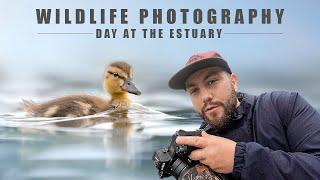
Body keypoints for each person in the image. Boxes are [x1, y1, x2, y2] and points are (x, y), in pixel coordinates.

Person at [168, 51, 320, 179]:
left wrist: (240, 159)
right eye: (194, 90)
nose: (205, 96)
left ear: (233, 82)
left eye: (212, 81)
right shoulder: (200, 146)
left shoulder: (284, 105)